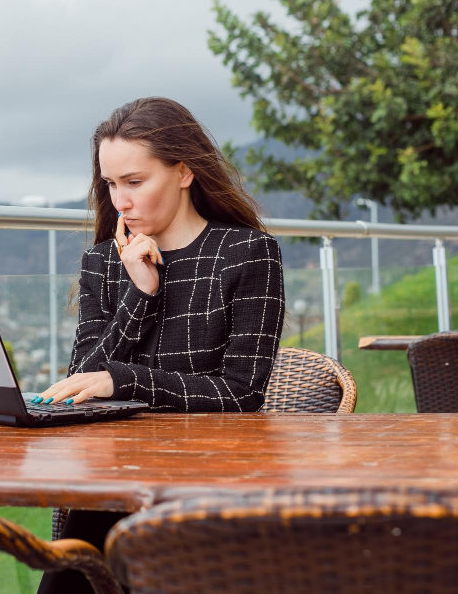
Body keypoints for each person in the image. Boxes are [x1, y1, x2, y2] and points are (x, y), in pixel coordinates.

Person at [35, 97, 286, 594]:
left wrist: (123, 381)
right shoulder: (105, 262)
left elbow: (241, 394)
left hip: (206, 485)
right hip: (111, 482)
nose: (119, 202)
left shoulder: (247, 254)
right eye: (110, 184)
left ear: (184, 173)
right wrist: (139, 291)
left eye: (134, 182)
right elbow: (83, 379)